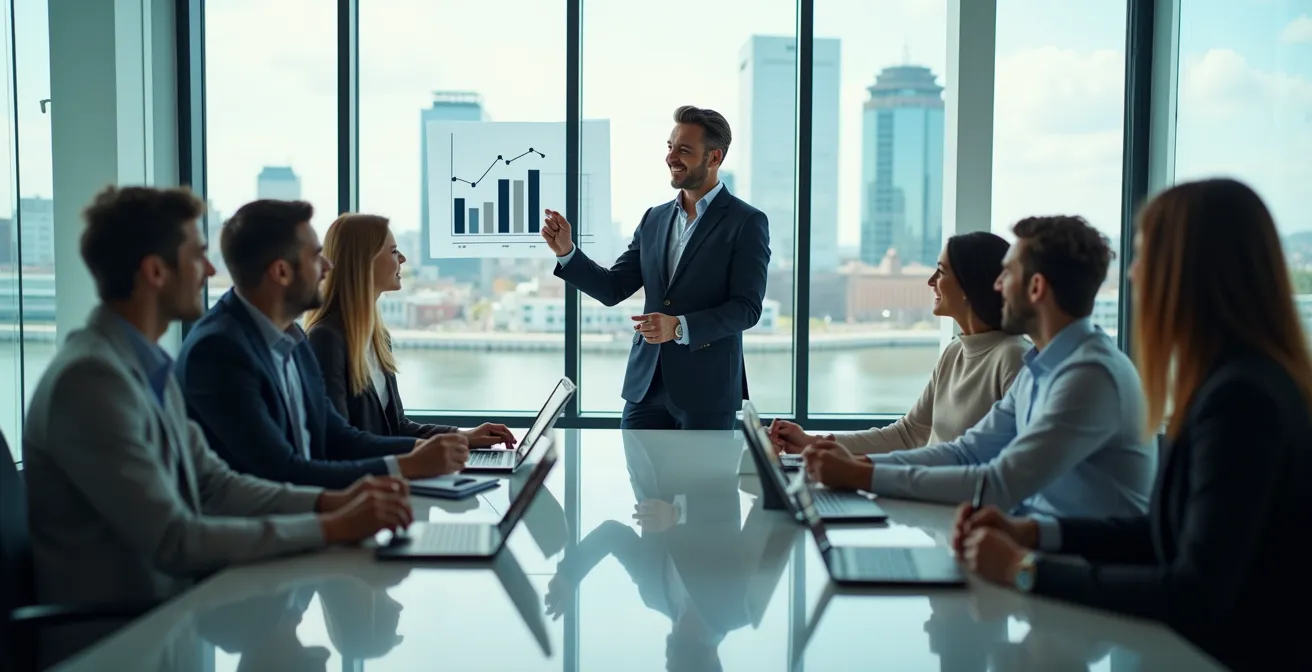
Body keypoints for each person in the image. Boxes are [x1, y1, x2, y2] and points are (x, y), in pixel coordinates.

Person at [22, 186, 414, 666]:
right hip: (125, 641)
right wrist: (330, 523)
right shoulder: (90, 380)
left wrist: (333, 504)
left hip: (184, 615)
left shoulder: (144, 366)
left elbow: (214, 484)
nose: (211, 271)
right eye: (198, 255)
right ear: (155, 272)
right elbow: (175, 539)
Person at [957, 179, 1312, 671]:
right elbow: (1163, 534)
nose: (1132, 274)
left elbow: (1194, 591)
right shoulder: (1230, 383)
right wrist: (1034, 534)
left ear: (1188, 273)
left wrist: (1024, 571)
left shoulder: (1241, 400)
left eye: (1145, 256)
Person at [802, 216, 1155, 520]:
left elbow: (998, 484)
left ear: (1036, 287)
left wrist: (860, 476)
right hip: (1039, 546)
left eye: (1007, 274)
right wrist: (862, 466)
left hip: (1081, 575)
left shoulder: (1089, 377)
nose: (997, 286)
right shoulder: (1041, 366)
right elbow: (966, 451)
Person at [177, 200, 503, 489]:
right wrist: (407, 465)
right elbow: (280, 471)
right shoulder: (220, 350)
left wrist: (448, 444)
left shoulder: (291, 339)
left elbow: (337, 435)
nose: (328, 266)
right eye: (315, 256)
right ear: (281, 271)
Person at [541, 105, 770, 430]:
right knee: (640, 480)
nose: (671, 157)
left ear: (714, 158)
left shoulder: (746, 222)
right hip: (644, 387)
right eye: (670, 147)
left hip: (708, 390)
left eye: (684, 150)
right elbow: (613, 288)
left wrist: (679, 327)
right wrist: (566, 252)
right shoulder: (654, 218)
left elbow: (747, 308)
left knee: (700, 482)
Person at [770, 232, 1027, 454]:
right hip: (927, 495)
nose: (930, 281)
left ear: (970, 284)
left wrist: (864, 473)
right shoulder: (955, 350)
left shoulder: (1014, 358)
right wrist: (812, 443)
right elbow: (908, 434)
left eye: (942, 271)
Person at [303, 213, 513, 446]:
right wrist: (430, 449)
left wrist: (464, 436)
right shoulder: (326, 338)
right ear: (365, 260)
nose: (402, 258)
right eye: (394, 251)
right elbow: (339, 441)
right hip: (364, 480)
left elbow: (397, 426)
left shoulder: (378, 336)